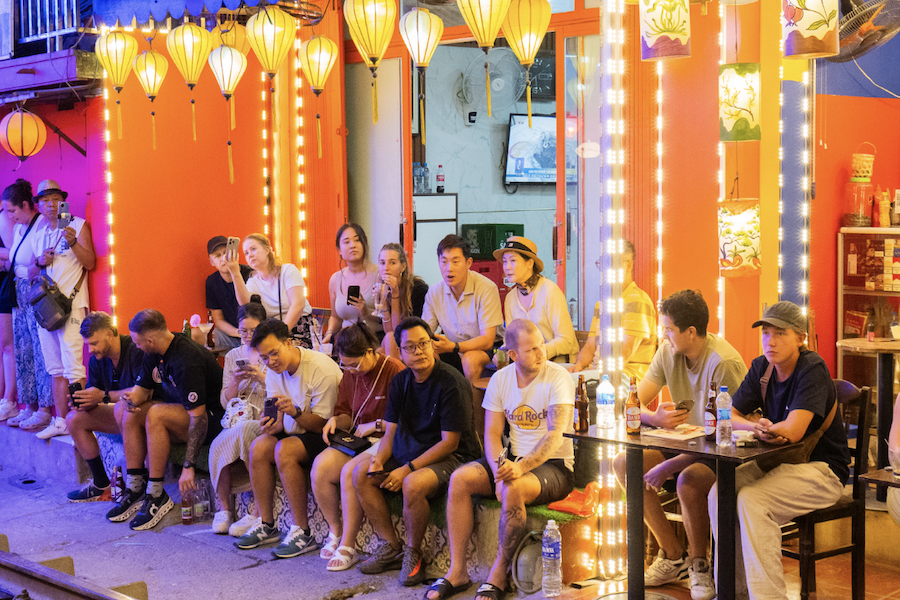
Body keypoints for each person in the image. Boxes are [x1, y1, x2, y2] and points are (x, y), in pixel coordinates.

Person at [708, 301, 850, 600]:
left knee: (752, 501)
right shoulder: (761, 367)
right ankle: (732, 592)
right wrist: (756, 428)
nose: (770, 341)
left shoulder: (812, 367)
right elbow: (728, 415)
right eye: (766, 333)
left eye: (780, 333)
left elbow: (794, 430)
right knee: (719, 492)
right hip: (777, 461)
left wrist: (760, 427)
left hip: (822, 470)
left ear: (801, 337)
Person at [612, 289, 746, 600]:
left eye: (669, 329)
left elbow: (727, 433)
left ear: (691, 332)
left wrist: (671, 464)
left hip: (721, 449)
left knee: (688, 480)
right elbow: (634, 405)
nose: (664, 335)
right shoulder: (667, 352)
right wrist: (655, 419)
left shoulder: (723, 362)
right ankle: (672, 554)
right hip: (684, 441)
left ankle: (700, 564)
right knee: (624, 464)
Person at [428, 319, 575, 600]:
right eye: (532, 349)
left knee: (513, 488)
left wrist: (519, 469)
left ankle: (499, 572)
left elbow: (556, 434)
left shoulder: (558, 376)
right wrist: (499, 470)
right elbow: (492, 433)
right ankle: (457, 571)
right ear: (513, 355)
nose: (541, 353)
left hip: (555, 466)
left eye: (542, 345)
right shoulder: (500, 379)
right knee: (460, 479)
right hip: (512, 459)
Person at [352, 317, 480, 586]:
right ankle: (390, 545)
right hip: (412, 451)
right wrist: (380, 459)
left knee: (412, 483)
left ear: (433, 345)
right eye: (410, 347)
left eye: (424, 343)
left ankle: (414, 552)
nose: (419, 351)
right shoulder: (400, 381)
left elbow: (450, 443)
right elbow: (390, 432)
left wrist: (407, 468)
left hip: (453, 457)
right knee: (361, 473)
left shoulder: (451, 382)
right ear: (400, 352)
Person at [233, 318, 342, 558]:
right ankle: (266, 523)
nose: (270, 362)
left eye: (274, 353)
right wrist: (270, 424)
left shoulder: (319, 368)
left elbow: (323, 424)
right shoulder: (273, 371)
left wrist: (294, 411)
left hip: (326, 434)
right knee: (259, 446)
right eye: (264, 358)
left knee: (285, 449)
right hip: (296, 427)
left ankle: (302, 531)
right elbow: (278, 422)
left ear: (289, 343)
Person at [311, 323, 404, 571]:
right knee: (320, 467)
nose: (351, 370)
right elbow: (346, 414)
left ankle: (349, 545)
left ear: (371, 351)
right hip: (359, 440)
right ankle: (335, 531)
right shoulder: (350, 375)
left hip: (387, 439)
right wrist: (335, 421)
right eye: (346, 365)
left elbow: (406, 420)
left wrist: (375, 424)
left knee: (348, 472)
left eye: (356, 364)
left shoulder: (394, 370)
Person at [124, 309, 225, 531]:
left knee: (156, 414)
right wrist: (130, 399)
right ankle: (135, 487)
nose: (137, 347)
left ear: (150, 340)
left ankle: (156, 494)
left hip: (212, 419)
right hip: (182, 412)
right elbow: (141, 390)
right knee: (131, 412)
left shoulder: (186, 360)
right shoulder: (153, 351)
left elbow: (198, 419)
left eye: (138, 343)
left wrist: (188, 466)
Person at [64, 312, 159, 504]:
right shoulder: (96, 360)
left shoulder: (136, 349)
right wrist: (85, 400)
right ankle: (100, 484)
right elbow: (97, 394)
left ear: (109, 333)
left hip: (146, 412)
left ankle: (137, 482)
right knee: (74, 418)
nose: (90, 350)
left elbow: (143, 392)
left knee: (122, 409)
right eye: (88, 344)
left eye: (94, 343)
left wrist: (104, 396)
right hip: (119, 413)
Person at [31, 179, 97, 440]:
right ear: (38, 205)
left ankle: (81, 423)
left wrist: (73, 243)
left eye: (56, 199)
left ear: (63, 201)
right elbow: (34, 271)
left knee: (74, 367)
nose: (51, 205)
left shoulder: (77, 225)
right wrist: (40, 260)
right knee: (55, 368)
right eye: (45, 201)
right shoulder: (38, 235)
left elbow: (90, 262)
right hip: (47, 309)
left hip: (72, 306)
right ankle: (61, 421)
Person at [208, 300, 269, 536]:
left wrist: (261, 377)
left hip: (262, 415)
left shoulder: (270, 352)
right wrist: (235, 381)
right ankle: (224, 509)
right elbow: (225, 402)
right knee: (218, 442)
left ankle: (258, 510)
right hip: (237, 415)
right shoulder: (234, 355)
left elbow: (281, 389)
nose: (247, 335)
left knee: (244, 433)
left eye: (253, 330)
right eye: (243, 330)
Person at [0, 179, 52, 429]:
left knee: (40, 347)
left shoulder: (42, 223)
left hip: (35, 290)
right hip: (18, 289)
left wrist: (36, 266)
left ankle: (45, 408)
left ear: (24, 205)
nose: (10, 216)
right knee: (22, 348)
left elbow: (51, 248)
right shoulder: (19, 228)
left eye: (12, 210)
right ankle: (28, 404)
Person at [422, 234, 503, 385]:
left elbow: (487, 340)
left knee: (470, 359)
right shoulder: (434, 292)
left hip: (487, 350)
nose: (449, 268)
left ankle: (470, 408)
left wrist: (454, 347)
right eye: (444, 262)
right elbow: (425, 333)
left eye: (455, 261)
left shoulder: (486, 288)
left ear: (468, 262)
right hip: (451, 349)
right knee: (426, 354)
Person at [571, 240, 657, 379]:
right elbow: (589, 346)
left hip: (625, 378)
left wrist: (591, 373)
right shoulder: (602, 303)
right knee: (555, 374)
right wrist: (579, 366)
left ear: (628, 266)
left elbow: (624, 354)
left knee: (565, 383)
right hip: (598, 372)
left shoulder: (637, 300)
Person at [494, 236, 578, 363]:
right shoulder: (510, 298)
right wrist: (501, 354)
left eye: (513, 260)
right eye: (505, 261)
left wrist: (535, 353)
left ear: (530, 263)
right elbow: (509, 341)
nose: (507, 267)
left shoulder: (549, 291)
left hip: (558, 365)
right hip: (527, 366)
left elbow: (566, 341)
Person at [227, 233, 314, 349]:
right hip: (271, 330)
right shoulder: (253, 282)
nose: (250, 255)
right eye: (246, 253)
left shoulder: (288, 270)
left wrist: (280, 336)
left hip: (298, 327)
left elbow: (298, 305)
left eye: (253, 249)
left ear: (267, 249)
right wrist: (235, 273)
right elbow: (245, 304)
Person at [323, 223, 381, 343]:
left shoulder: (379, 275)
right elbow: (335, 317)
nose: (352, 245)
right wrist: (329, 335)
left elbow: (388, 317)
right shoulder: (335, 279)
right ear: (339, 249)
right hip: (346, 343)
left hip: (375, 340)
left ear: (364, 244)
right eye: (346, 242)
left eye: (357, 240)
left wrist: (366, 312)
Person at [375, 243, 429, 358]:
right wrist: (382, 301)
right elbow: (388, 331)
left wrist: (395, 294)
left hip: (414, 339)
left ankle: (398, 375)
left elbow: (397, 332)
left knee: (383, 348)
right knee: (379, 351)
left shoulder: (418, 289)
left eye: (392, 262)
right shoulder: (381, 286)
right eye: (382, 263)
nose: (386, 268)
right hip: (393, 341)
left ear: (403, 267)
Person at [206, 236, 253, 350]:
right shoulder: (212, 282)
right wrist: (238, 332)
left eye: (225, 253)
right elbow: (218, 320)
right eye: (218, 256)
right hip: (232, 333)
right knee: (197, 336)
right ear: (212, 261)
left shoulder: (250, 273)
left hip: (254, 332)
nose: (223, 259)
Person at [0, 198, 18, 418]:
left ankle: (9, 399)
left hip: (6, 286)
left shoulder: (4, 216)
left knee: (7, 345)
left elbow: (14, 255)